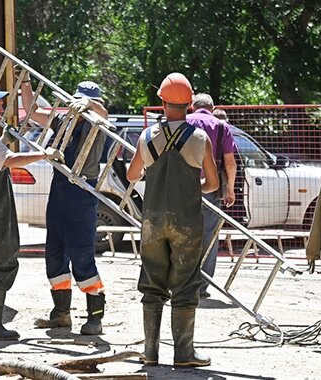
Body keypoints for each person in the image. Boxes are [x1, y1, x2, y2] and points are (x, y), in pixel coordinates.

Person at [126, 73, 218, 367]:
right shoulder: (200, 138)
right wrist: (193, 189)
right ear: (190, 105)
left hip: (152, 221)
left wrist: (152, 177)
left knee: (152, 283)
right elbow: (213, 183)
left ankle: (150, 353)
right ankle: (184, 354)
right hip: (187, 222)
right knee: (186, 282)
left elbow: (131, 175)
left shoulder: (146, 136)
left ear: (162, 102)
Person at [0, 86, 60, 340]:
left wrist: (3, 138)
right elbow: (7, 161)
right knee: (2, 265)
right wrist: (44, 154)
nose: (1, 109)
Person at [21, 74, 109, 335]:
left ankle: (95, 317)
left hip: (82, 192)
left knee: (82, 256)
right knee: (55, 254)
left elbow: (104, 113)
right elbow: (33, 111)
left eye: (84, 102)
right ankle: (61, 314)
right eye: (78, 101)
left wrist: (91, 106)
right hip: (59, 190)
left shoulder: (97, 125)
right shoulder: (64, 121)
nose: (79, 107)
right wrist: (25, 84)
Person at [186, 94, 238, 299]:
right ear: (213, 107)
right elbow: (230, 163)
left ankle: (181, 283)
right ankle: (201, 286)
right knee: (209, 235)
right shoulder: (221, 126)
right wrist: (230, 189)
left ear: (192, 106)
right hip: (210, 189)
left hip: (184, 188)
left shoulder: (183, 122)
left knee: (183, 234)